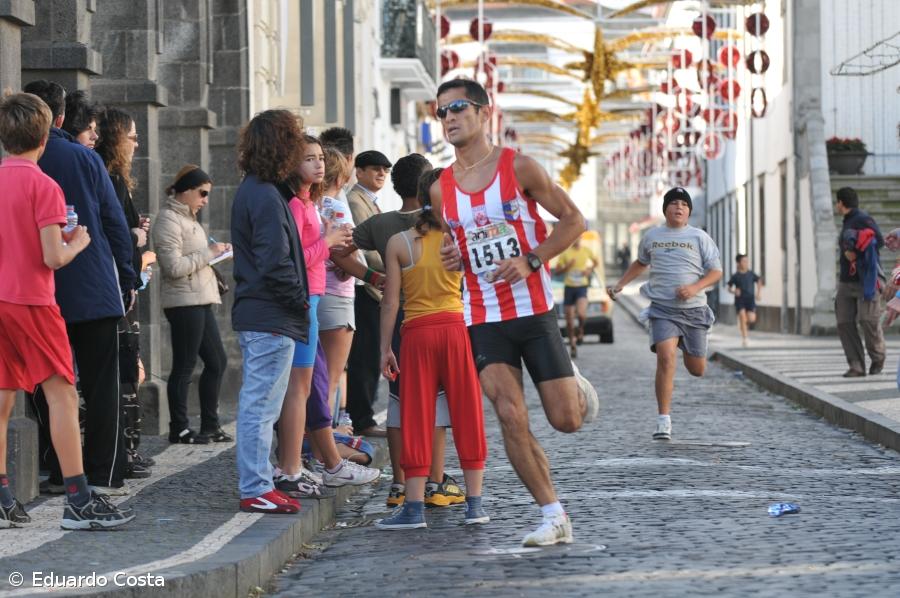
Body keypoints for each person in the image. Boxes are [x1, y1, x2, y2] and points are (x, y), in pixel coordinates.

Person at [433, 79, 599, 547]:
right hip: (483, 316)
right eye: (441, 111)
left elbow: (573, 221)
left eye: (458, 107)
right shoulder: (441, 187)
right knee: (509, 413)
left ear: (485, 113)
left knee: (566, 419)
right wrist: (453, 257)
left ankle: (572, 379)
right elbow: (457, 244)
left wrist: (531, 259)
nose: (449, 117)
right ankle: (553, 514)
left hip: (534, 309)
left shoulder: (519, 167)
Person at [0, 91, 133, 529]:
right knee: (62, 394)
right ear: (45, 135)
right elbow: (53, 256)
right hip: (34, 301)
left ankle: (2, 496)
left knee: (2, 400)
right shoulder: (44, 185)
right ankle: (78, 499)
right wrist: (80, 241)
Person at [332, 157, 460, 510]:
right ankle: (436, 481)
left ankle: (400, 484)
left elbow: (337, 252)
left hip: (394, 317)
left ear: (395, 185)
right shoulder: (441, 224)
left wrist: (373, 278)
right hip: (434, 316)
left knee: (398, 402)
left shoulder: (381, 223)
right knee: (436, 403)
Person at [375, 167, 488, 529]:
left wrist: (384, 349)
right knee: (468, 413)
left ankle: (413, 509)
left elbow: (391, 303)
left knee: (417, 418)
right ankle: (474, 505)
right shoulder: (462, 238)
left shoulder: (399, 242)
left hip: (417, 334)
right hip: (456, 330)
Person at [273, 135, 378, 499]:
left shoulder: (309, 204)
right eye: (310, 158)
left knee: (313, 385)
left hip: (317, 297)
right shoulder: (302, 206)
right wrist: (333, 245)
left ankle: (310, 460)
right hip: (311, 299)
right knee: (313, 386)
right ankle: (310, 462)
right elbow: (300, 256)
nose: (319, 165)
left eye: (321, 158)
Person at [231, 109, 310, 515]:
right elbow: (274, 261)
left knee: (262, 405)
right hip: (270, 314)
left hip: (266, 314)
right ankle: (256, 486)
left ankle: (259, 482)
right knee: (260, 407)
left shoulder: (260, 190)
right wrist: (299, 299)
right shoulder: (263, 195)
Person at [608, 187, 722, 441]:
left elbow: (716, 272)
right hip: (663, 309)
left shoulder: (699, 237)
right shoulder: (652, 236)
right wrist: (620, 284)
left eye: (684, 204)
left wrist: (694, 287)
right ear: (665, 209)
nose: (678, 207)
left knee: (697, 369)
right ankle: (663, 420)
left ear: (689, 210)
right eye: (674, 203)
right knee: (666, 357)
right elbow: (641, 262)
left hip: (694, 311)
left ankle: (687, 339)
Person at [153, 165, 232, 444]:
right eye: (202, 193)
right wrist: (208, 252)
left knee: (217, 361)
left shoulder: (189, 218)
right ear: (185, 190)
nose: (205, 200)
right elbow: (173, 267)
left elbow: (196, 258)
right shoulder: (168, 220)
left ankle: (211, 424)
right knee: (184, 365)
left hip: (200, 298)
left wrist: (216, 255)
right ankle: (180, 428)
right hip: (183, 301)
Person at [95, 106, 155, 479]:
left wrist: (136, 229)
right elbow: (112, 231)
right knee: (124, 369)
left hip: (123, 280)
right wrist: (135, 238)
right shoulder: (107, 175)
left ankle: (129, 448)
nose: (136, 144)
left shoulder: (115, 176)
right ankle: (122, 454)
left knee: (129, 369)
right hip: (118, 284)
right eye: (132, 137)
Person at [345, 149, 393, 438]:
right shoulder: (355, 200)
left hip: (375, 286)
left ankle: (364, 414)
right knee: (364, 356)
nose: (381, 174)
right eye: (375, 169)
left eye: (385, 170)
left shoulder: (370, 201)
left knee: (372, 353)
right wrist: (393, 264)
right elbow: (366, 246)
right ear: (359, 171)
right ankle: (361, 417)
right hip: (366, 286)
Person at [317, 146, 357, 432]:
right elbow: (345, 253)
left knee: (310, 378)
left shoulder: (308, 204)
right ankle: (324, 446)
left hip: (316, 292)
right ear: (341, 177)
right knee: (331, 378)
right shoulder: (336, 207)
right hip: (338, 295)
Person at [835, 187, 886, 377]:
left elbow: (879, 240)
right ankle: (856, 364)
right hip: (846, 281)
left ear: (841, 203)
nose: (836, 205)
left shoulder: (863, 218)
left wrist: (856, 251)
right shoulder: (847, 221)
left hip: (867, 279)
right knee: (844, 321)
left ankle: (878, 357)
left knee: (868, 320)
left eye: (837, 202)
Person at [556, 235, 599, 358]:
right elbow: (558, 271)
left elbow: (596, 262)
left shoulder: (586, 250)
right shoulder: (566, 253)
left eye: (578, 237)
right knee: (569, 321)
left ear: (581, 238)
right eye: (574, 238)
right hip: (569, 288)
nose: (576, 240)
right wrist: (567, 267)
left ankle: (580, 330)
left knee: (581, 314)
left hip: (582, 287)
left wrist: (589, 271)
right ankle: (573, 345)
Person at [726, 254, 762, 347]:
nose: (746, 263)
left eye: (747, 261)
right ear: (739, 263)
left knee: (751, 319)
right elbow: (729, 288)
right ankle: (745, 339)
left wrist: (758, 293)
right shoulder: (735, 276)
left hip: (750, 300)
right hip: (740, 300)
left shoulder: (751, 274)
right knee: (742, 316)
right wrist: (734, 291)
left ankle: (743, 323)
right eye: (744, 261)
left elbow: (759, 281)